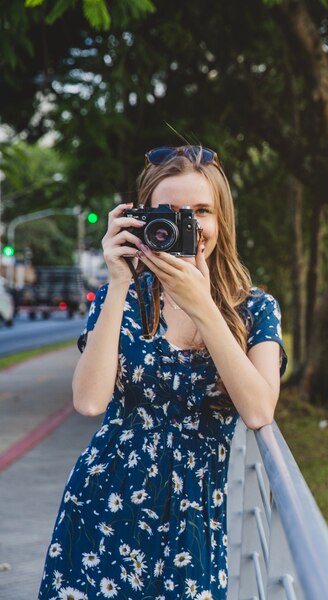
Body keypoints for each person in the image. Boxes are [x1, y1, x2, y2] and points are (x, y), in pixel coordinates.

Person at [37, 146, 287, 600]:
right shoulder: (124, 297)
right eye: (168, 214)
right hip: (104, 508)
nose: (185, 225)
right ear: (142, 220)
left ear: (221, 220)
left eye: (200, 212)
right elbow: (89, 401)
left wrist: (202, 305)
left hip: (192, 523)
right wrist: (117, 281)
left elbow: (258, 408)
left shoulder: (254, 308)